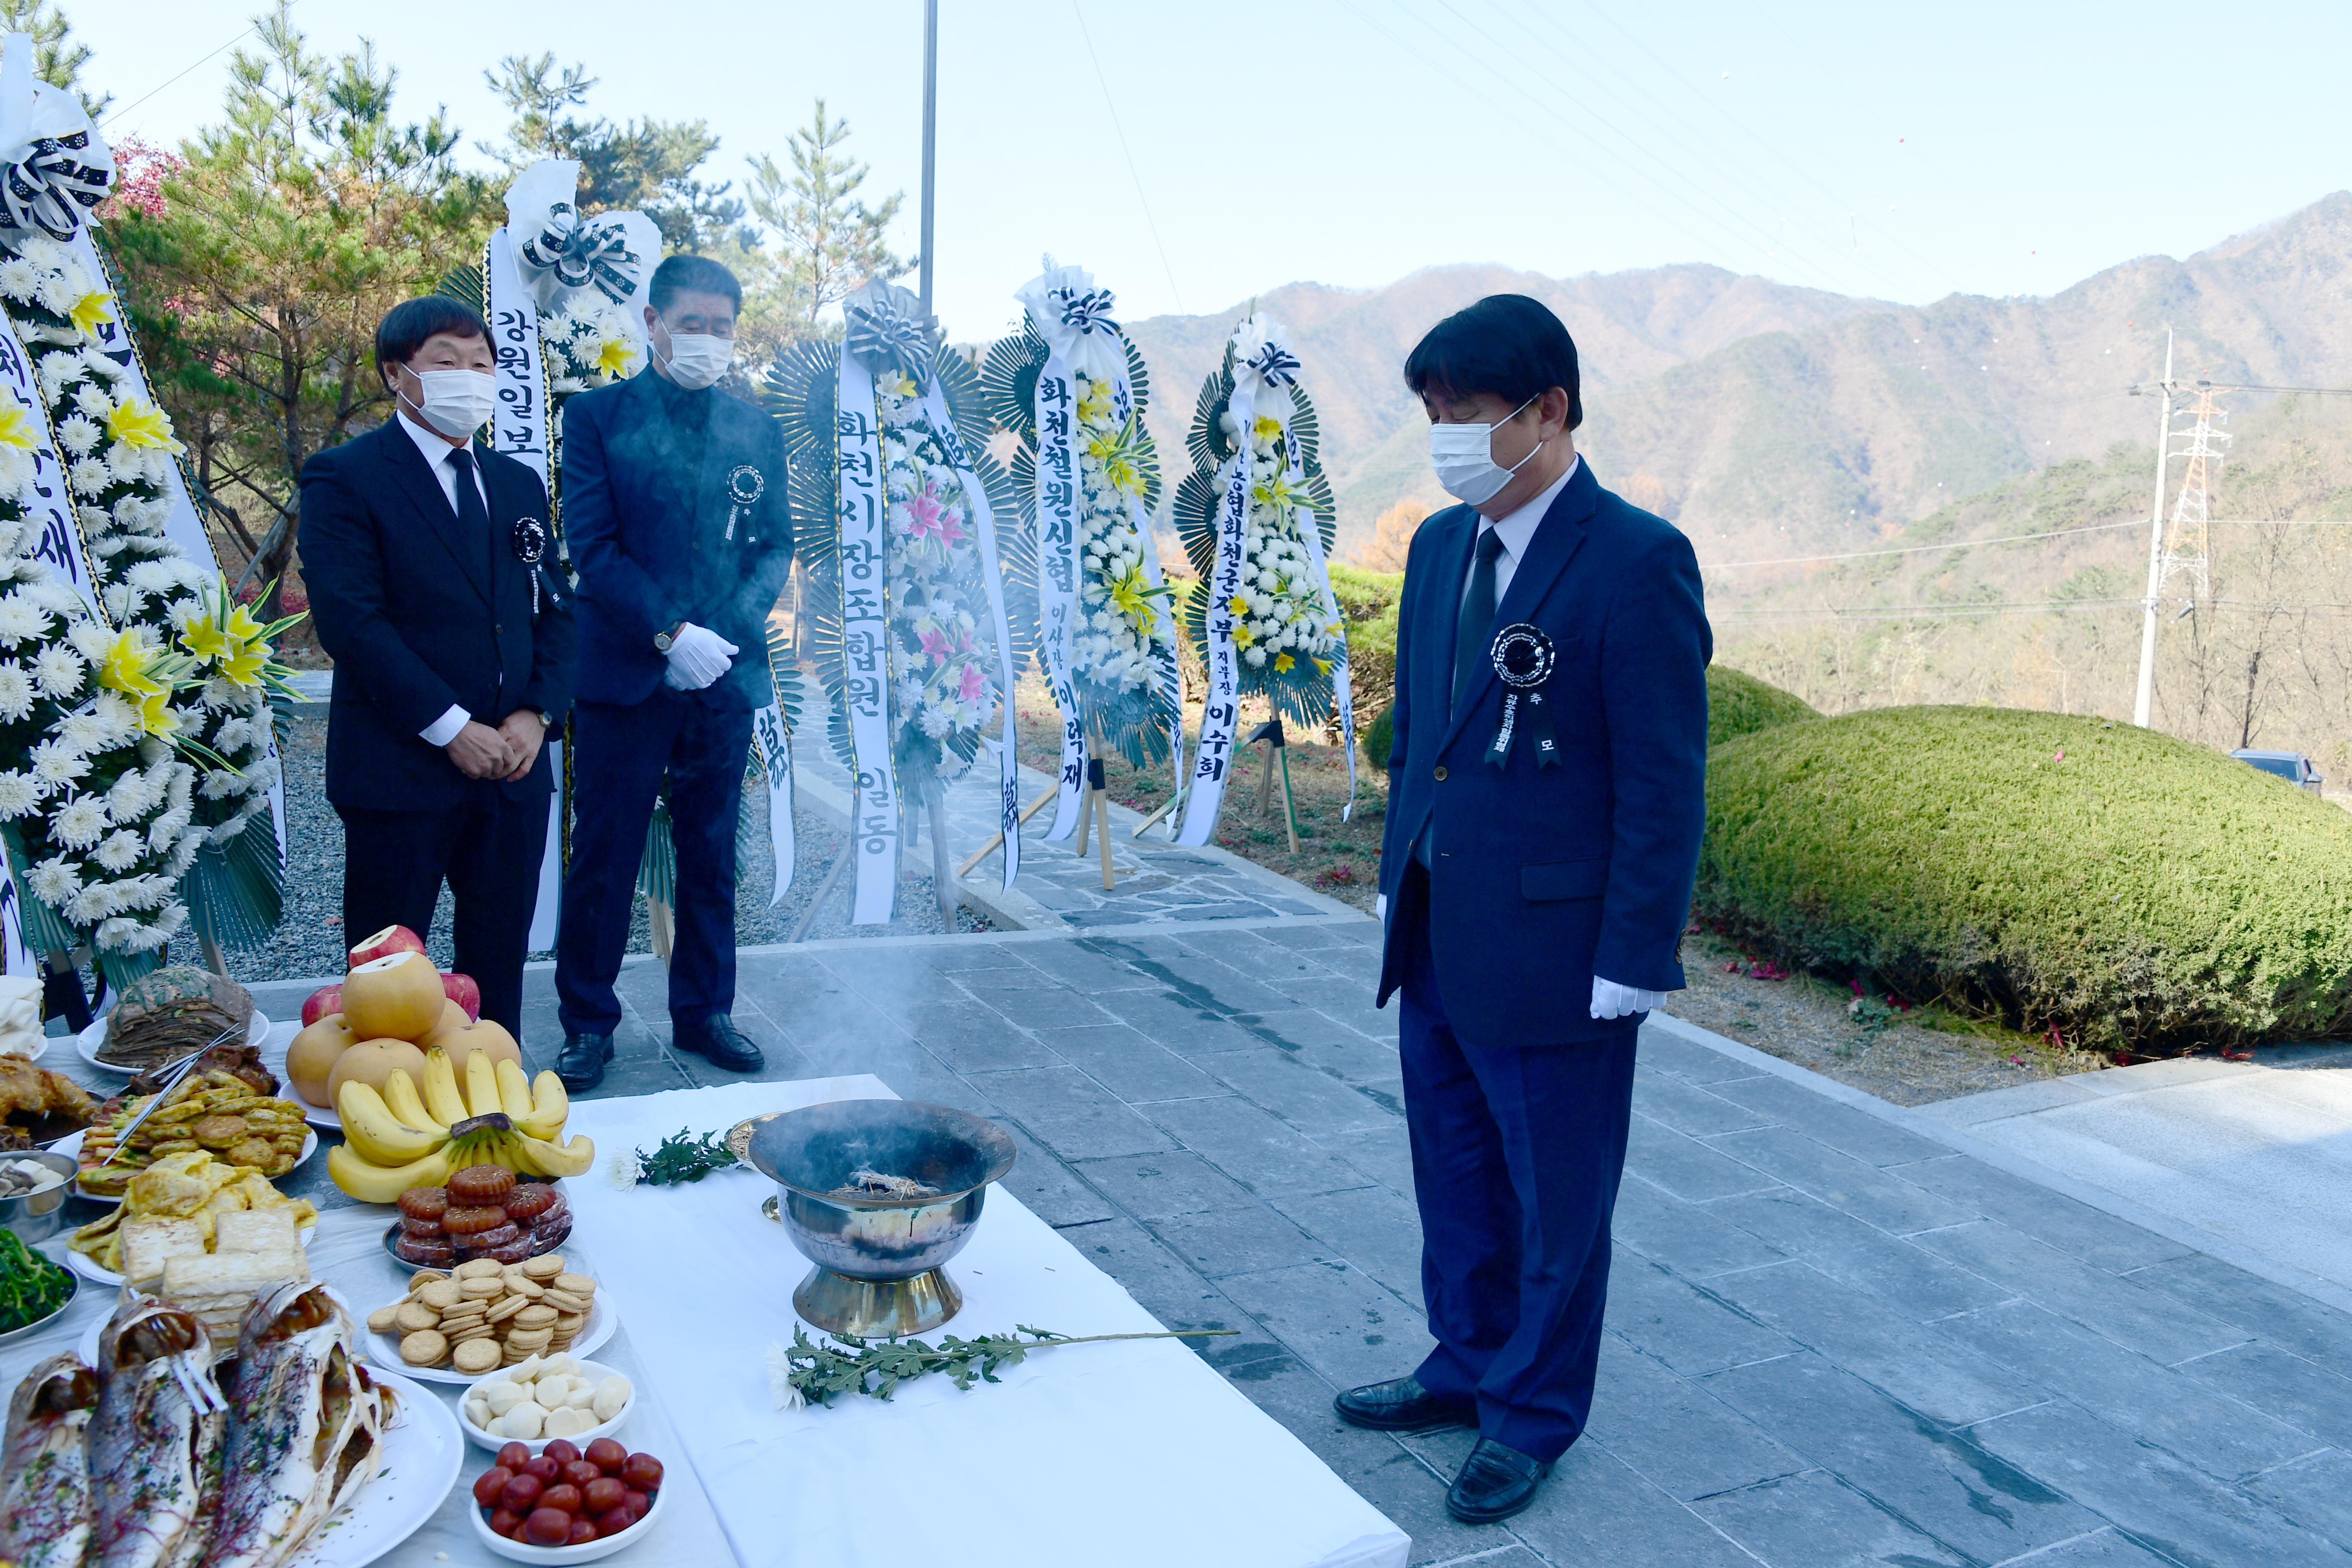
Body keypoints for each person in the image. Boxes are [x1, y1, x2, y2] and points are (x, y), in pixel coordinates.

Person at [1341, 295, 1710, 1524]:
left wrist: (1637, 953)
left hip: (1563, 954)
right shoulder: (1445, 547)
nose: (1445, 436)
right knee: (1452, 1174)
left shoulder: (1635, 557)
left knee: (1556, 1202)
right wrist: (1406, 868)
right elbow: (1425, 742)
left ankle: (1534, 1415)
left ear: (1547, 411)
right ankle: (1464, 1364)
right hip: (1443, 928)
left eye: (1467, 415)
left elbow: (1663, 779)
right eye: (1433, 415)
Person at [300, 296, 577, 1041]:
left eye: (482, 364)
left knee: (498, 970)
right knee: (389, 985)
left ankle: (497, 1111)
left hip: (514, 775)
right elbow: (353, 625)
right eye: (446, 363)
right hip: (402, 774)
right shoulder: (345, 478)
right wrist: (451, 727)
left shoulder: (518, 483)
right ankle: (393, 1122)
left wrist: (536, 713)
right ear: (398, 375)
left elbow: (555, 609)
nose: (468, 379)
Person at [552, 254, 794, 1091]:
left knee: (712, 847)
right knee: (606, 852)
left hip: (723, 675)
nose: (708, 341)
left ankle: (706, 1009)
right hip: (626, 672)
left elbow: (775, 547)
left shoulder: (753, 429)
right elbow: (595, 548)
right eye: (692, 324)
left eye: (723, 328)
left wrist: (715, 637)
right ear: (651, 322)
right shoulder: (596, 418)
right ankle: (588, 1020)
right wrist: (668, 633)